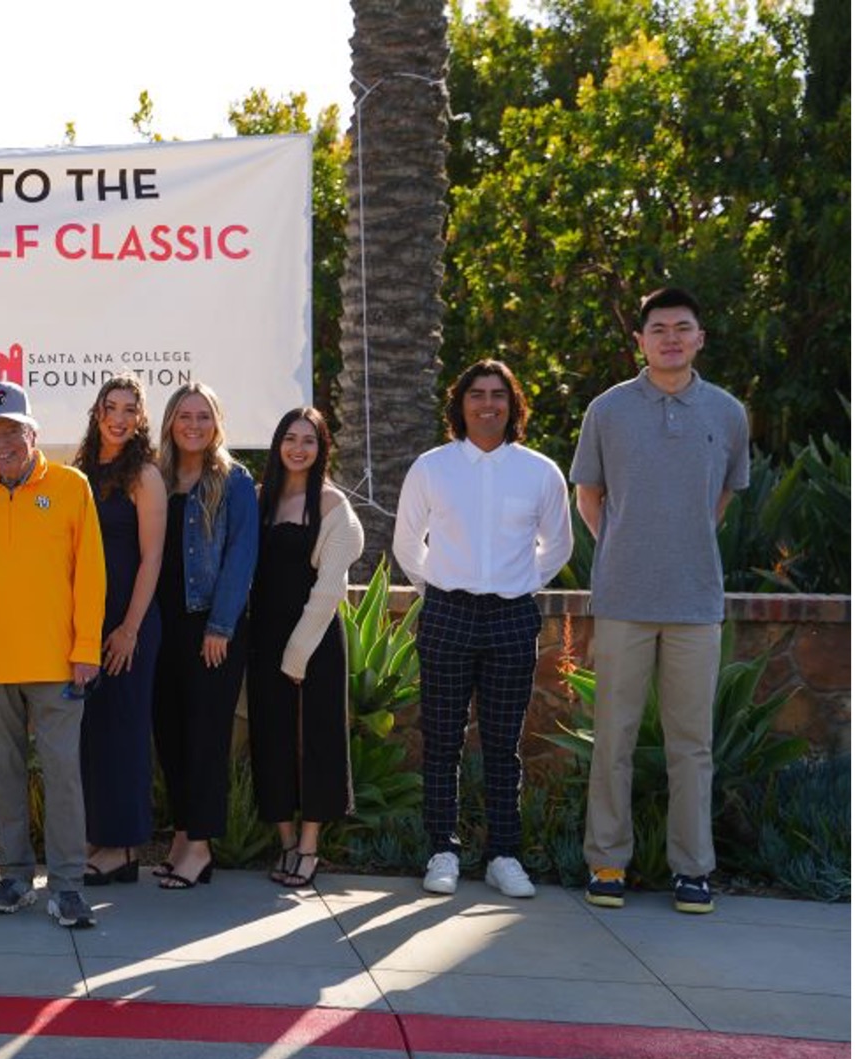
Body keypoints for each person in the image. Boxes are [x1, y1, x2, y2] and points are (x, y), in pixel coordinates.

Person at [571, 287, 749, 914]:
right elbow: (588, 495)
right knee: (612, 737)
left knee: (691, 744)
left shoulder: (727, 412)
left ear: (700, 338)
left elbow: (724, 498)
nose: (670, 337)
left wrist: (680, 542)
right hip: (622, 598)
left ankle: (693, 869)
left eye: (683, 328)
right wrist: (622, 546)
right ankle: (607, 861)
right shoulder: (608, 410)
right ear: (640, 341)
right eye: (658, 328)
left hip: (696, 603)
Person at [394, 360, 572, 898]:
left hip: (512, 617)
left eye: (498, 394)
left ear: (513, 404)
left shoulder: (540, 471)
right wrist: (442, 589)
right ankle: (441, 851)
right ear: (461, 403)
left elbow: (558, 545)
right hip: (447, 613)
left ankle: (503, 854)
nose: (487, 403)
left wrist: (517, 582)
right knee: (442, 738)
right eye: (477, 394)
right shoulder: (432, 467)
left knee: (502, 743)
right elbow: (407, 545)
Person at [0, 381, 106, 927]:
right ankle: (14, 877)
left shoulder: (70, 486)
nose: (2, 443)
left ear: (33, 433)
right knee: (0, 775)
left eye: (12, 430)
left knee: (63, 775)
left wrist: (85, 649)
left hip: (58, 662)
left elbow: (90, 577)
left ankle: (68, 885)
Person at [248, 406, 363, 889]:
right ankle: (286, 841)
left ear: (321, 448)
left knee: (317, 739)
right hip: (262, 635)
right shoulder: (258, 500)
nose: (299, 448)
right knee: (269, 737)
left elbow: (329, 590)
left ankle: (311, 845)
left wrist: (297, 653)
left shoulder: (334, 506)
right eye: (290, 438)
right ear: (277, 444)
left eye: (309, 440)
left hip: (314, 638)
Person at [152, 382, 258, 891]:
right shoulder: (155, 476)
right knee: (170, 736)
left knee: (205, 739)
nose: (193, 425)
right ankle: (181, 836)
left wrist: (220, 626)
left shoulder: (233, 480)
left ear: (216, 423)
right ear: (170, 422)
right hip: (160, 625)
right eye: (184, 416)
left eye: (203, 416)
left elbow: (241, 557)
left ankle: (200, 848)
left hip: (210, 628)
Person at [70, 376, 166, 886]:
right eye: (112, 407)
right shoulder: (79, 472)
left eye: (131, 409)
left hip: (129, 622)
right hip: (85, 624)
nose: (120, 417)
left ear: (141, 418)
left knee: (124, 733)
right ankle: (97, 836)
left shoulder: (144, 475)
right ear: (98, 411)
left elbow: (152, 556)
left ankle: (124, 847)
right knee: (90, 735)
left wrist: (129, 628)